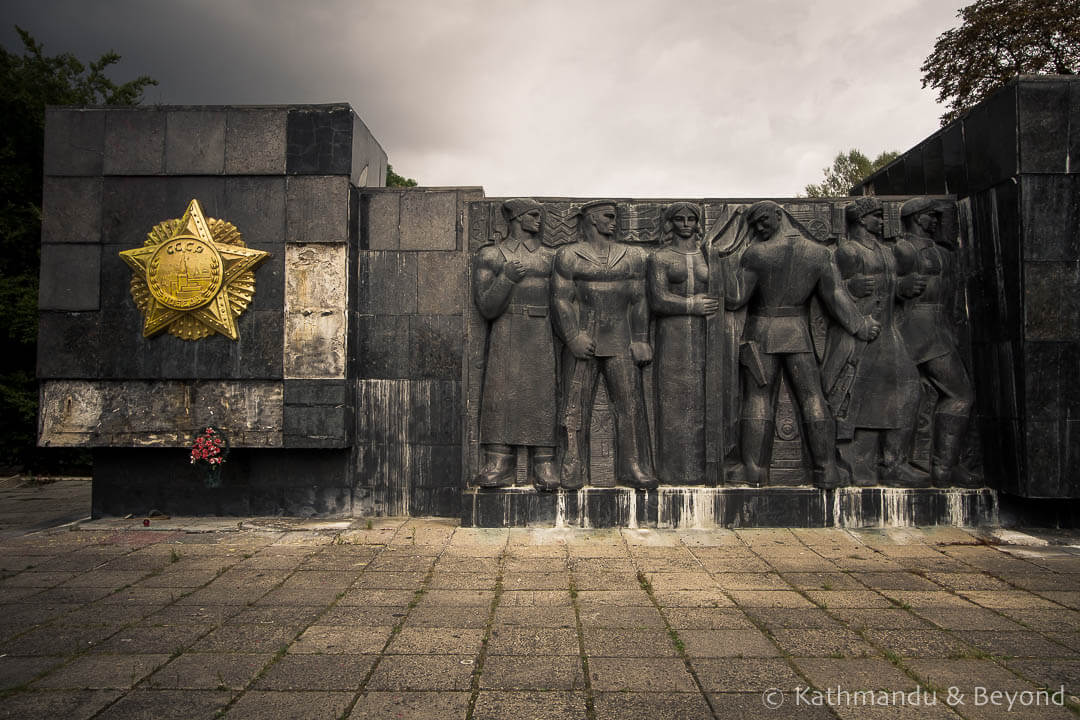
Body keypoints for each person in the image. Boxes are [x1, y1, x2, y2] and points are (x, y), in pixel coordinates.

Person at [724, 200, 880, 489]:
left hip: (762, 332)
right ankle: (826, 470)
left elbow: (735, 299)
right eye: (754, 224)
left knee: (759, 399)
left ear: (780, 215)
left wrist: (719, 265)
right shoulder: (819, 253)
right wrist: (859, 324)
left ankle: (754, 470)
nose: (759, 227)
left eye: (763, 220)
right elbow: (835, 297)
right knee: (812, 398)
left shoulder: (757, 254)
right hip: (798, 333)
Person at [552, 201, 658, 490]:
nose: (614, 222)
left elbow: (639, 299)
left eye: (615, 217)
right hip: (583, 339)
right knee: (574, 406)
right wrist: (572, 336)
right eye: (608, 217)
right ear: (591, 219)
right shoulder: (568, 255)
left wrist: (640, 339)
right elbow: (561, 298)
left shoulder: (633, 256)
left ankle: (633, 466)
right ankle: (572, 463)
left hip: (621, 340)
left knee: (630, 405)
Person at [823, 196, 927, 487]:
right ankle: (859, 462)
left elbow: (891, 290)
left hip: (888, 332)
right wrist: (851, 288)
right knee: (858, 399)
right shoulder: (848, 252)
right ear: (861, 219)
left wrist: (903, 288)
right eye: (877, 216)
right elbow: (830, 293)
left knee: (908, 390)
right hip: (859, 336)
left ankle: (894, 461)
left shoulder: (887, 252)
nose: (881, 221)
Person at [472, 198, 559, 490]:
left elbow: (563, 299)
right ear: (518, 218)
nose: (539, 221)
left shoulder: (550, 256)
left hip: (541, 330)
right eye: (534, 215)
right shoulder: (491, 255)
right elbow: (486, 307)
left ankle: (544, 461)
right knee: (500, 392)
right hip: (506, 327)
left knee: (542, 393)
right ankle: (498, 461)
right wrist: (507, 278)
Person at [894, 198, 976, 487]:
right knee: (959, 394)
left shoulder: (942, 251)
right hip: (919, 329)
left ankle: (940, 466)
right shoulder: (902, 249)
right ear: (916, 217)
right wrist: (898, 287)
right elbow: (876, 280)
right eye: (930, 216)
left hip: (940, 328)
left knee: (916, 396)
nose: (935, 221)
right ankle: (940, 467)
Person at [647, 202, 718, 484]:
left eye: (692, 218)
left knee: (703, 399)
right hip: (672, 334)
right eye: (680, 218)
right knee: (673, 400)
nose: (686, 223)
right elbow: (657, 299)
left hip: (706, 335)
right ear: (670, 223)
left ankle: (703, 469)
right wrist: (691, 305)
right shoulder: (660, 257)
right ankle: (672, 471)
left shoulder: (709, 256)